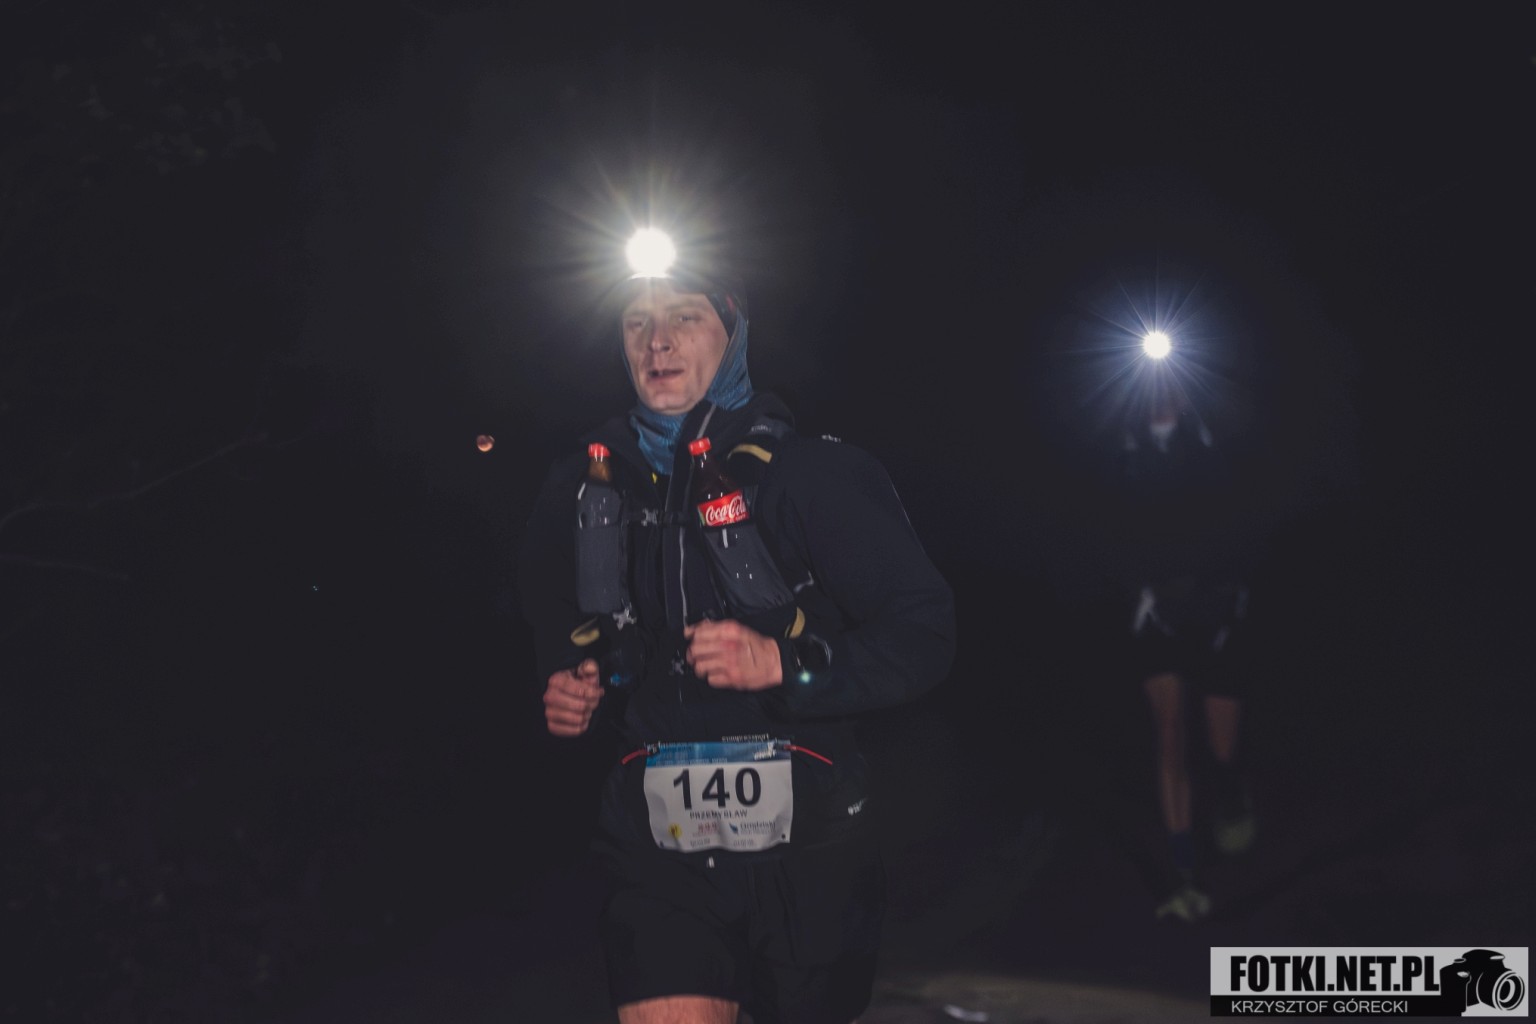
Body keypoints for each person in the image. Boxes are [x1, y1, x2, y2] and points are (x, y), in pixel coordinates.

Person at [517, 239, 956, 1024]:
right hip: (657, 846)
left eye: (685, 318)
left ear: (733, 332)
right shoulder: (583, 489)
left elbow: (925, 634)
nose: (657, 343)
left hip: (810, 843)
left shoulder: (813, 476)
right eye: (636, 322)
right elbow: (560, 625)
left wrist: (789, 666)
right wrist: (569, 685)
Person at [1111, 377, 1262, 924]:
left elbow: (1244, 508)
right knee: (1170, 732)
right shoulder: (1121, 448)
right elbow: (1104, 522)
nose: (1160, 390)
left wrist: (1235, 592)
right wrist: (1133, 591)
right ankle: (1184, 872)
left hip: (1216, 603)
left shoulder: (1211, 439)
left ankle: (1230, 789)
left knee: (1222, 749)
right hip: (1157, 609)